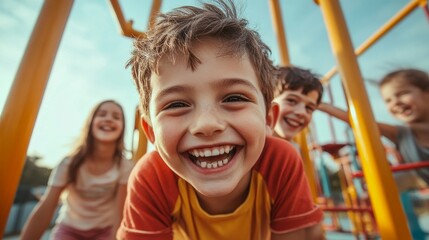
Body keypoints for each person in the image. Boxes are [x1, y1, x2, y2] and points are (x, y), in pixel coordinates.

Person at [117, 1, 324, 239]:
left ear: (268, 119)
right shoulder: (152, 177)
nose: (206, 124)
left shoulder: (281, 161)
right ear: (151, 132)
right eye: (176, 104)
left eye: (234, 98)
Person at [21, 100, 134, 240]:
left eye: (116, 117)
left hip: (105, 231)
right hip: (70, 230)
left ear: (123, 128)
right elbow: (47, 206)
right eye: (102, 114)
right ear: (90, 122)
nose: (109, 119)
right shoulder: (69, 163)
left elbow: (120, 213)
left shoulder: (125, 167)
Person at [318, 68, 429, 189]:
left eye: (402, 93)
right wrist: (318, 104)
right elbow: (358, 121)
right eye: (388, 100)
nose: (395, 102)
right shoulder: (401, 134)